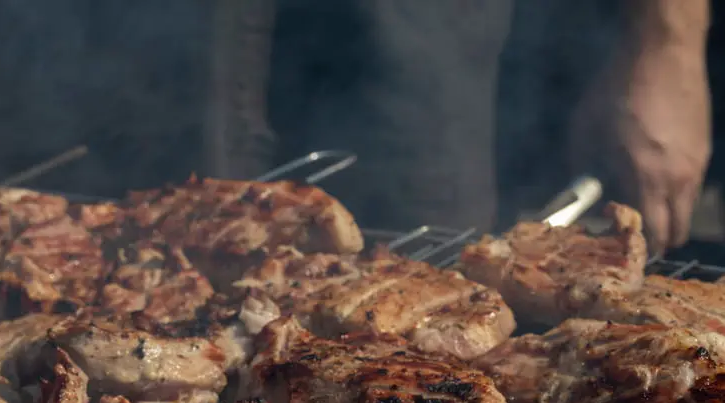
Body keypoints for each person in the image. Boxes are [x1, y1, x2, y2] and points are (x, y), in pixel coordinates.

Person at [206, 0, 711, 254]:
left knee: (423, 259)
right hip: (191, 31)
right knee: (171, 246)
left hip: (399, 25)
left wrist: (667, 43)